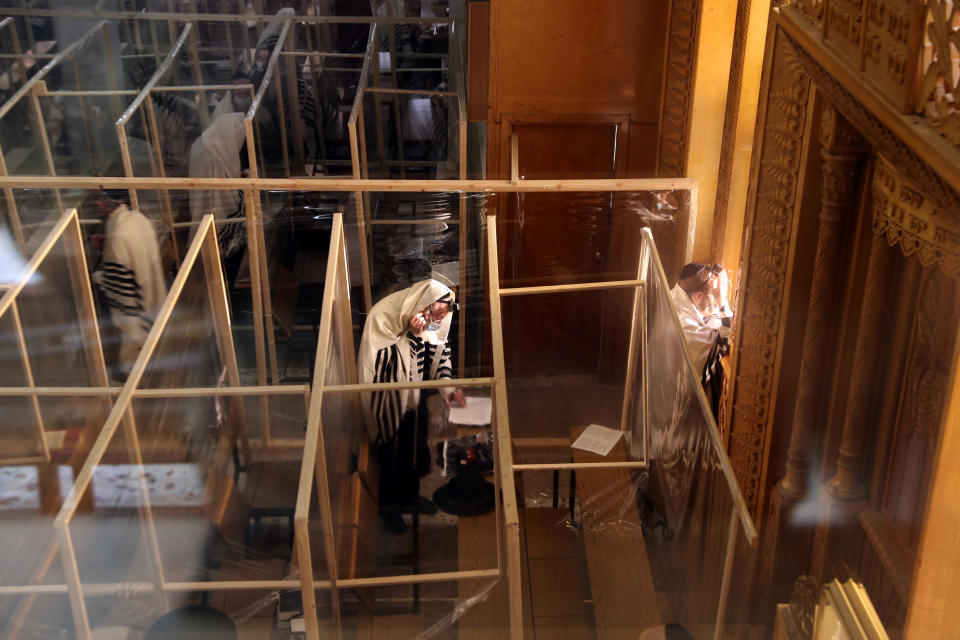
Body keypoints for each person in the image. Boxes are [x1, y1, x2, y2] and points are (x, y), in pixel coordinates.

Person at [357, 279, 466, 534]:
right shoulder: (383, 316)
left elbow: (439, 350)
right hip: (388, 402)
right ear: (423, 303)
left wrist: (449, 390)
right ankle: (388, 509)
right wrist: (415, 338)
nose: (433, 320)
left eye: (440, 316)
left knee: (413, 450)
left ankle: (410, 497)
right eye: (432, 314)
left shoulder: (431, 318)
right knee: (390, 457)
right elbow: (384, 366)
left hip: (413, 399)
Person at [89, 189, 167, 381]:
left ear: (101, 204)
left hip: (134, 308)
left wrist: (97, 276)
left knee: (132, 353)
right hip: (152, 293)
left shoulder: (118, 235)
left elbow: (120, 288)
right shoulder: (138, 219)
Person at [188, 112, 247, 282]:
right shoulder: (216, 156)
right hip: (217, 211)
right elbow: (224, 195)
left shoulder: (200, 142)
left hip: (198, 202)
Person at [671, 262, 732, 417]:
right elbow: (725, 341)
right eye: (710, 296)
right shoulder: (685, 325)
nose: (711, 303)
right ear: (698, 295)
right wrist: (722, 300)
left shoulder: (677, 297)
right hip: (679, 406)